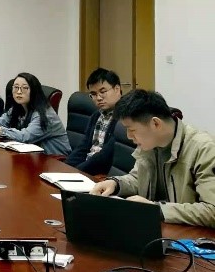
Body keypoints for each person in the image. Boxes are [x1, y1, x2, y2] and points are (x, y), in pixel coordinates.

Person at [90, 90, 215, 228]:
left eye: (131, 130)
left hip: (190, 235)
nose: (128, 136)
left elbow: (212, 210)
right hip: (155, 227)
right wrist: (116, 184)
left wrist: (156, 209)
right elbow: (139, 178)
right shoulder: (150, 144)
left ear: (155, 124)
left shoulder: (204, 149)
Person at [0, 73, 71, 156]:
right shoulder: (18, 108)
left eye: (25, 88)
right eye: (16, 87)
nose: (19, 92)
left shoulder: (45, 114)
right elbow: (0, 121)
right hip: (33, 157)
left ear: (34, 91)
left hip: (54, 161)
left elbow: (24, 137)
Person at [64, 68, 122, 175]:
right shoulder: (96, 115)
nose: (98, 98)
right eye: (94, 94)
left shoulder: (124, 118)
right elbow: (83, 147)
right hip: (87, 168)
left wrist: (77, 172)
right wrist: (65, 168)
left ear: (117, 89)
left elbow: (105, 156)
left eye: (103, 92)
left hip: (103, 174)